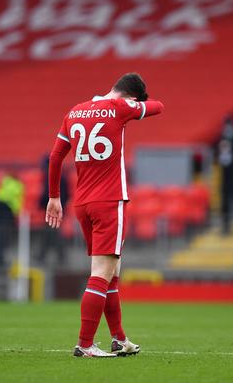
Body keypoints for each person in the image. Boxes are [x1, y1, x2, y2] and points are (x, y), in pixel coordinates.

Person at [46, 72, 164, 357]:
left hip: (82, 204)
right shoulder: (120, 108)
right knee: (101, 274)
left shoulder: (74, 111)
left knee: (111, 274)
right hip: (109, 202)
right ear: (131, 97)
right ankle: (85, 344)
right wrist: (135, 106)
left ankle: (119, 339)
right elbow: (159, 107)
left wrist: (53, 197)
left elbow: (55, 156)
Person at [37, 154, 69, 264]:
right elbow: (67, 194)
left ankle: (59, 257)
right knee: (51, 233)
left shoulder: (51, 176)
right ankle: (51, 256)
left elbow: (47, 194)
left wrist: (41, 204)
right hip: (58, 209)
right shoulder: (62, 176)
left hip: (53, 210)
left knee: (52, 233)